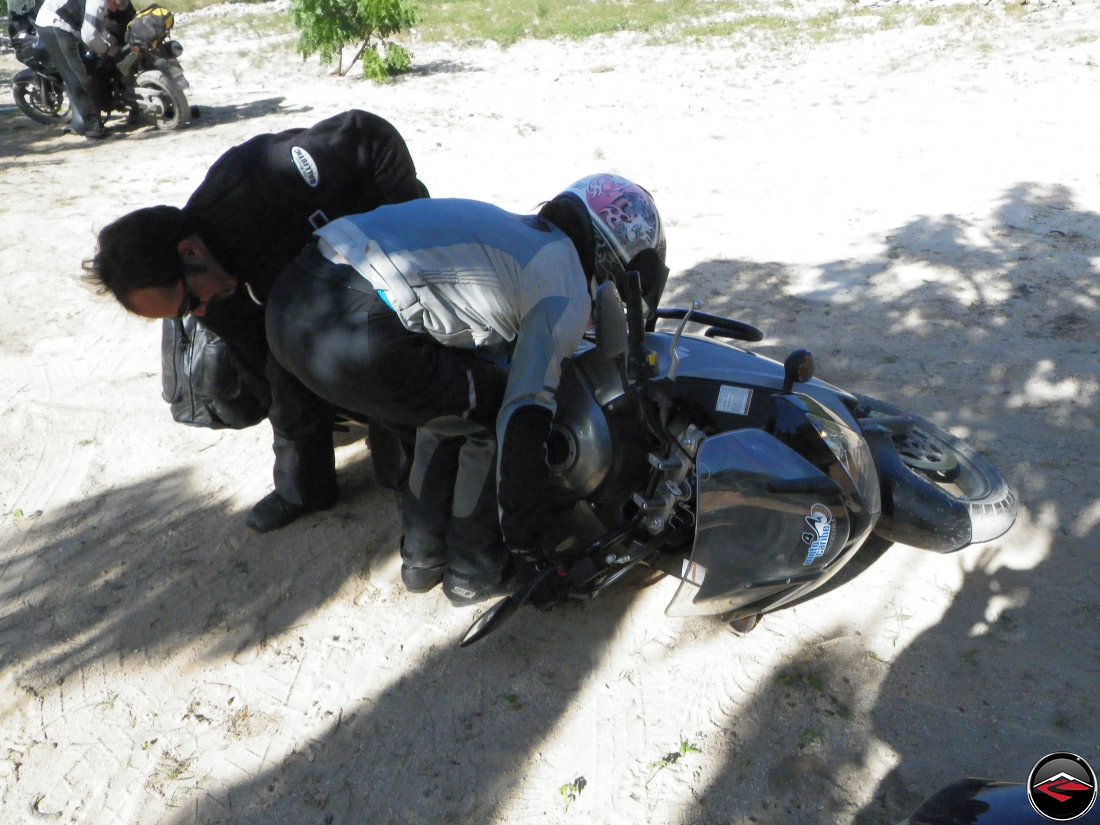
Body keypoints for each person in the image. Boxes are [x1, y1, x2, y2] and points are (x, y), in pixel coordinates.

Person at [272, 174, 668, 604]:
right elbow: (523, 420)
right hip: (357, 333)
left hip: (293, 303)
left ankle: (421, 560)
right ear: (615, 253)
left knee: (447, 405)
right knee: (493, 410)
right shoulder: (566, 282)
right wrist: (526, 546)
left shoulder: (517, 230)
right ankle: (474, 571)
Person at [84, 110, 429, 533]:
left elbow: (368, 134)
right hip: (302, 284)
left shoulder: (262, 182)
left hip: (368, 250)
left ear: (191, 252)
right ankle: (305, 490)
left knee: (390, 378)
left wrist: (405, 233)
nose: (200, 315)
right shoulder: (210, 295)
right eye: (181, 316)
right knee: (283, 381)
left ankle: (416, 466)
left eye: (188, 302)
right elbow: (270, 373)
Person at [34, 0, 129, 138]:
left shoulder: (101, 4)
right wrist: (106, 50)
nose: (116, 10)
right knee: (80, 77)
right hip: (54, 25)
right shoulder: (99, 2)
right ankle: (93, 129)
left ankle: (92, 120)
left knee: (86, 70)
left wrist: (110, 40)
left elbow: (97, 26)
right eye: (116, 6)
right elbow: (90, 36)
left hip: (61, 23)